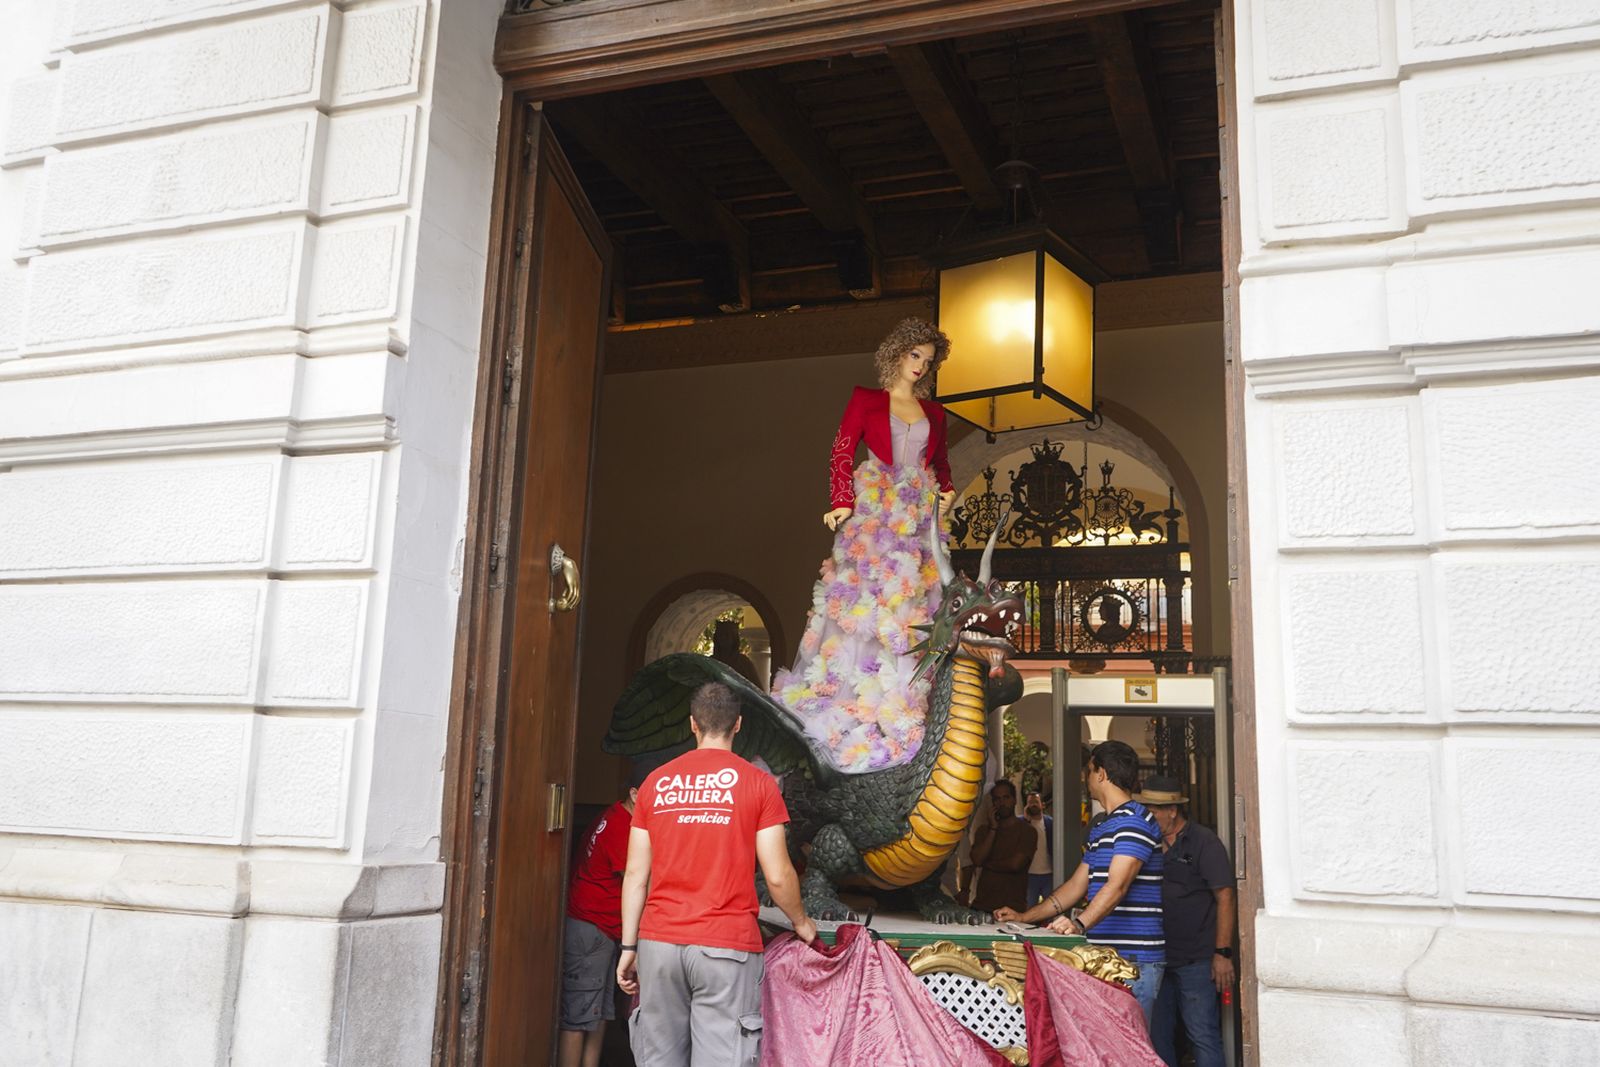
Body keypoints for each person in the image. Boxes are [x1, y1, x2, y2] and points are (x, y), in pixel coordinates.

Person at [771, 318, 957, 773]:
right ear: (896, 353)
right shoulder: (866, 400)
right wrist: (841, 502)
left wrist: (947, 493)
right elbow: (841, 450)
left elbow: (943, 465)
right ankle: (854, 708)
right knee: (865, 604)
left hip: (918, 517)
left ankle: (904, 705)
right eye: (915, 356)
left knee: (916, 605)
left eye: (928, 361)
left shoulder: (934, 413)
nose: (920, 367)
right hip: (876, 510)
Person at [617, 682, 817, 1067]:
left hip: (659, 944)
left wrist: (629, 948)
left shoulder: (655, 784)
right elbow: (777, 875)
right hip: (727, 949)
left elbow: (636, 876)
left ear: (693, 725)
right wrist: (801, 921)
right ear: (738, 725)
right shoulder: (758, 785)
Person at [994, 740, 1166, 1026]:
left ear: (1101, 773)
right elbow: (1076, 885)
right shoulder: (1103, 825)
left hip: (1133, 960)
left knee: (1128, 1052)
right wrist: (1025, 916)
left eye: (1089, 771)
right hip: (1103, 955)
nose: (1086, 779)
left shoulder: (1135, 821)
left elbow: (1117, 885)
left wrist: (1079, 924)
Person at [1135, 776, 1235, 1067]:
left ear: (1173, 810)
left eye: (1152, 811)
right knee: (1157, 1037)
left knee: (1202, 1035)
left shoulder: (1204, 842)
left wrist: (1222, 953)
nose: (1147, 817)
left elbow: (1225, 897)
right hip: (1156, 958)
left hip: (1197, 959)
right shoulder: (1148, 844)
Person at [558, 765, 648, 1067]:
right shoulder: (623, 828)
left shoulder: (615, 816)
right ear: (635, 794)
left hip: (603, 929)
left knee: (599, 1013)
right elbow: (635, 882)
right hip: (591, 929)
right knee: (578, 1015)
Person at [967, 779, 1038, 914]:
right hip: (982, 906)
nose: (1002, 803)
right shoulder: (984, 830)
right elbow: (977, 860)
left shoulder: (1027, 831)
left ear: (1014, 799)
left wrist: (987, 864)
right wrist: (993, 829)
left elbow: (1015, 864)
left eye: (1006, 797)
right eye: (997, 799)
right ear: (993, 803)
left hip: (1012, 908)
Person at [1024, 791, 1055, 906]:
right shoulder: (1022, 823)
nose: (1033, 805)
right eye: (1030, 802)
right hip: (1029, 875)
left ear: (1043, 805)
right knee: (1030, 909)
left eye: (1036, 802)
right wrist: (1027, 821)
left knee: (1051, 909)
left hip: (1049, 875)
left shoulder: (1051, 823)